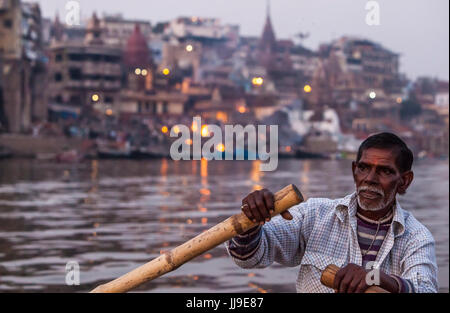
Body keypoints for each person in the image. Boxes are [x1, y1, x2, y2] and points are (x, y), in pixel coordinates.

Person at [226, 132, 438, 293]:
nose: (370, 179)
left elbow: (425, 287)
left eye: (384, 171)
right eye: (364, 168)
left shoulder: (416, 236)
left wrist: (375, 277)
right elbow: (251, 258)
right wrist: (250, 223)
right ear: (354, 170)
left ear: (404, 181)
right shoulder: (316, 214)